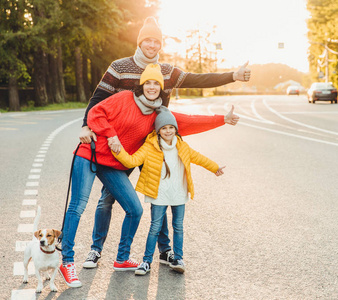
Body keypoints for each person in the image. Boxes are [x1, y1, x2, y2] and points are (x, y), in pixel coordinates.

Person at [79, 16, 250, 269]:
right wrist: (85, 125)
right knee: (107, 198)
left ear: (160, 45)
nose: (151, 45)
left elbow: (198, 79)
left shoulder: (168, 72)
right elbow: (97, 100)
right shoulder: (119, 67)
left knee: (160, 196)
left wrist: (233, 75)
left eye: (156, 41)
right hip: (121, 146)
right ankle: (95, 250)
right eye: (147, 40)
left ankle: (165, 252)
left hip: (152, 145)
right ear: (140, 42)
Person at [59, 63, 239, 288]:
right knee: (78, 206)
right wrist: (110, 134)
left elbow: (187, 121)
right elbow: (97, 112)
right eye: (148, 83)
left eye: (157, 83)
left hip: (113, 164)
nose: (152, 87)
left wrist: (222, 119)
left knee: (135, 209)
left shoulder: (158, 115)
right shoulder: (124, 97)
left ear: (162, 88)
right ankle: (67, 262)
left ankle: (122, 258)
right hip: (90, 154)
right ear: (142, 85)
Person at [112, 106, 225, 275]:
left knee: (178, 227)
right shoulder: (149, 147)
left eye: (171, 127)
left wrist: (215, 167)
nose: (168, 131)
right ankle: (146, 261)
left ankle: (178, 258)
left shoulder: (182, 146)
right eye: (164, 128)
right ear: (158, 130)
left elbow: (199, 158)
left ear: (176, 129)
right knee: (154, 228)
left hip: (179, 194)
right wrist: (119, 151)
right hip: (159, 195)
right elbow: (132, 161)